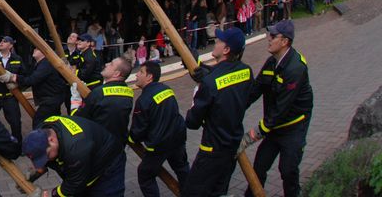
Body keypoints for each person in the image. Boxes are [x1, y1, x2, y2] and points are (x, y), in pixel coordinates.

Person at [243, 20, 313, 197]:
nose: (269, 38)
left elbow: (282, 108)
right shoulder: (271, 63)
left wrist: (254, 135)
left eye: (273, 36)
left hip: (294, 126)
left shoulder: (295, 67)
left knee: (288, 170)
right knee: (259, 166)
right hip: (275, 124)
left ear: (285, 42)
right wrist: (236, 109)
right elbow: (254, 90)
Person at [182, 27, 254, 197]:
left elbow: (192, 123)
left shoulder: (209, 84)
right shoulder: (246, 72)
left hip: (211, 152)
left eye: (220, 41)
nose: (216, 42)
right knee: (218, 192)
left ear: (227, 50)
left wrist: (197, 94)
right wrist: (200, 66)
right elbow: (225, 76)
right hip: (232, 148)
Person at [72, 56, 134, 195]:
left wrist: (75, 102)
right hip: (117, 150)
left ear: (117, 73)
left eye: (111, 64)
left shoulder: (98, 93)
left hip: (98, 152)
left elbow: (78, 119)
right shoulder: (128, 92)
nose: (106, 63)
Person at [130, 61, 190, 197]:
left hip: (159, 145)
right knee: (182, 168)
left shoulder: (144, 100)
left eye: (140, 72)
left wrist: (130, 138)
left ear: (149, 77)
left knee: (145, 175)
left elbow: (138, 130)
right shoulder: (167, 89)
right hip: (177, 139)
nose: (136, 75)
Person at [23, 114, 121, 197]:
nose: (46, 159)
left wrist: (53, 194)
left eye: (47, 156)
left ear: (51, 140)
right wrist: (37, 172)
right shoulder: (42, 131)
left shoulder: (76, 148)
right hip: (83, 159)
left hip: (108, 161)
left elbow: (74, 183)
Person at [12, 45, 70, 125]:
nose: (34, 50)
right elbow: (30, 77)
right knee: (52, 122)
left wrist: (15, 78)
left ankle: (42, 136)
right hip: (51, 98)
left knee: (38, 121)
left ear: (44, 53)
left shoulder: (46, 64)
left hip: (51, 99)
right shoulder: (39, 63)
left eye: (37, 49)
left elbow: (33, 79)